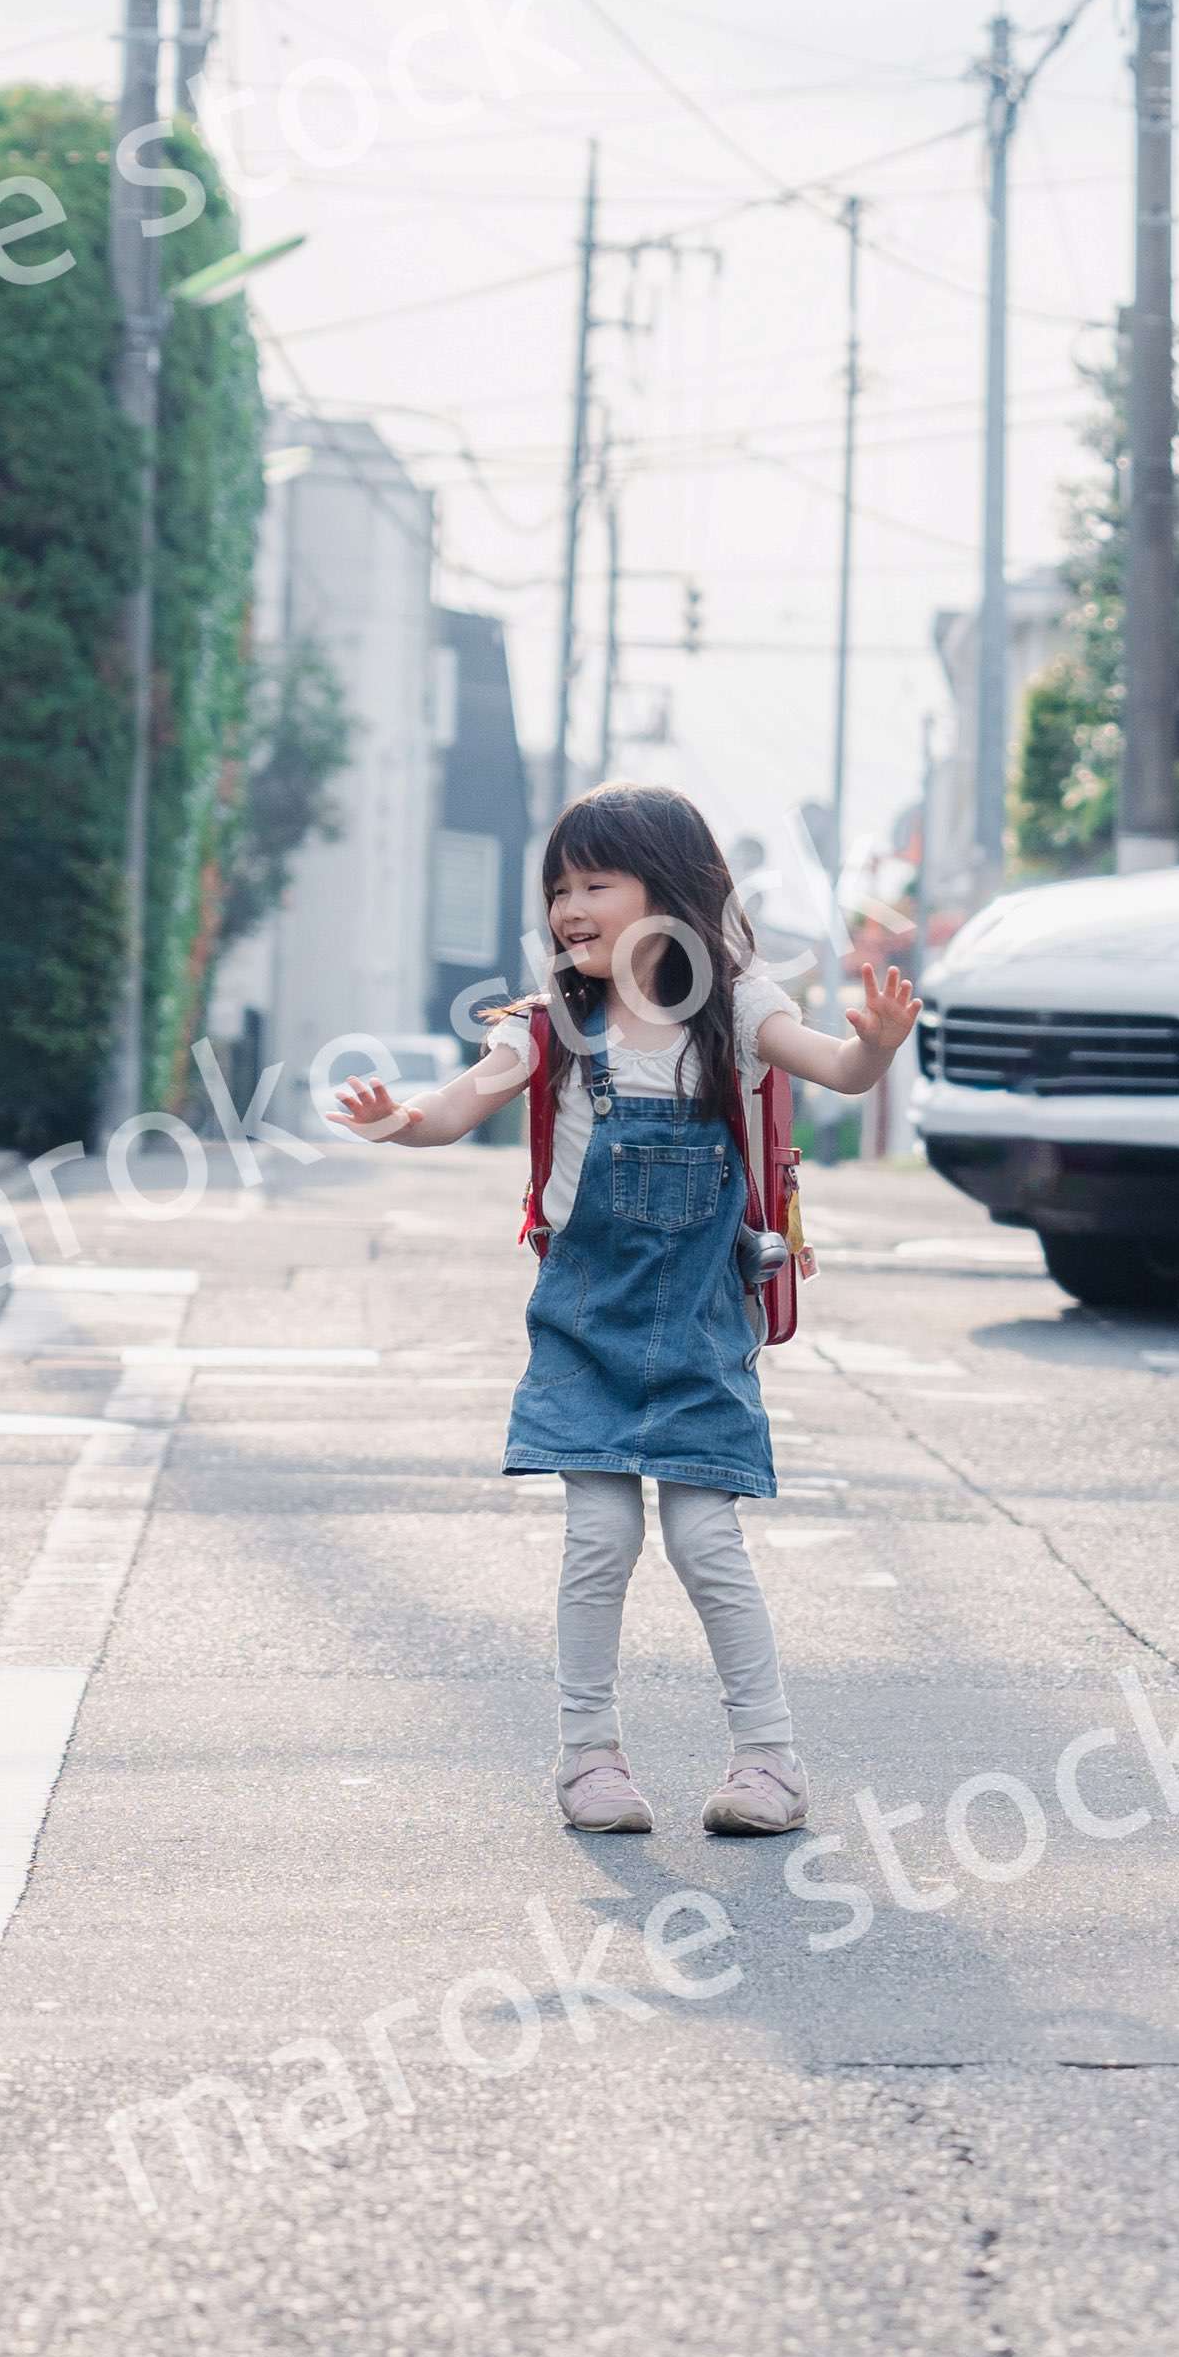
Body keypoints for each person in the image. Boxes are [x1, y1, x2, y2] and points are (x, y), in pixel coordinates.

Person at [329, 783, 921, 1838]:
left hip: (701, 1323)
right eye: (559, 887)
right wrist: (392, 1121)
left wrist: (876, 1043)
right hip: (586, 1323)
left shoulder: (737, 1010)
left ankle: (769, 1762)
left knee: (704, 1537)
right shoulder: (551, 1026)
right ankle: (589, 1758)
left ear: (672, 891)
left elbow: (838, 1066)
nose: (570, 907)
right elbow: (454, 1108)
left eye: (595, 881)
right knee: (600, 1533)